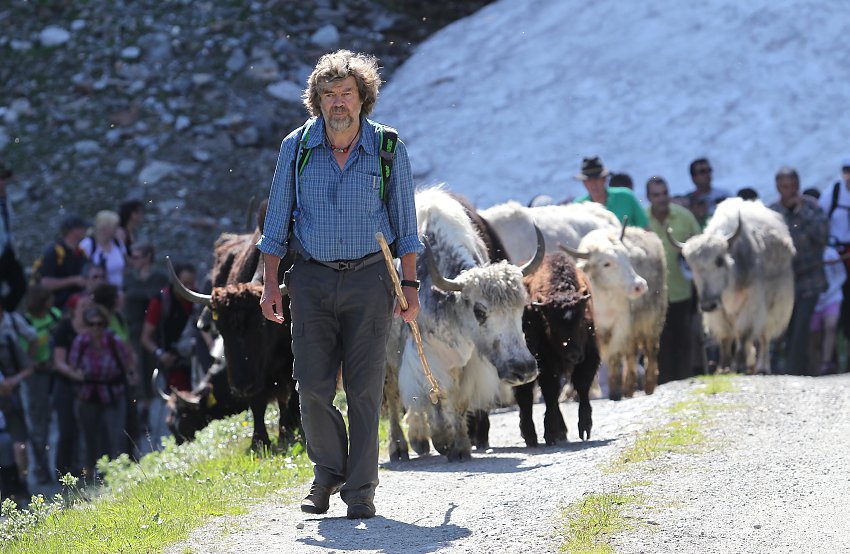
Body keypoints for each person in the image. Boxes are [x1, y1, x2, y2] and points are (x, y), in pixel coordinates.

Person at [257, 50, 422, 520]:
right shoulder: (297, 148)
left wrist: (408, 287)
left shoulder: (388, 149)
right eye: (328, 95)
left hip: (372, 280)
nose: (337, 103)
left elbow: (406, 227)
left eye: (346, 93)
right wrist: (271, 285)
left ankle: (361, 490)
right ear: (317, 100)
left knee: (366, 389)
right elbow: (275, 228)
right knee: (311, 387)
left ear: (363, 96)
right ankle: (328, 471)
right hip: (310, 279)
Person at [769, 167, 829, 375]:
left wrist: (801, 212)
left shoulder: (812, 207)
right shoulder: (772, 213)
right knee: (785, 329)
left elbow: (822, 236)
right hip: (783, 284)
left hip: (809, 280)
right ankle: (783, 372)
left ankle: (795, 374)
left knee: (801, 330)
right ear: (778, 188)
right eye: (785, 186)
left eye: (793, 186)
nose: (790, 190)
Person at [69, 304, 136, 482]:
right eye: (91, 324)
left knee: (117, 436)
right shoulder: (81, 342)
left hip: (113, 393)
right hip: (88, 395)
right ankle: (89, 475)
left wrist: (131, 376)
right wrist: (77, 375)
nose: (96, 328)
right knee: (88, 438)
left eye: (99, 324)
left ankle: (118, 474)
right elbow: (72, 366)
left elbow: (128, 362)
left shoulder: (114, 341)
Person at [645, 176, 702, 384]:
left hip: (681, 292)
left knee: (682, 340)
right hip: (652, 295)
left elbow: (700, 247)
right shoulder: (642, 220)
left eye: (664, 193)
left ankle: (684, 384)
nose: (661, 198)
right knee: (658, 343)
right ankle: (662, 386)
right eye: (656, 195)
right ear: (649, 197)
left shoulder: (685, 217)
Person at [122, 241, 168, 433]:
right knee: (138, 368)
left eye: (137, 256)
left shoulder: (159, 277)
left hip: (154, 330)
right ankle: (142, 411)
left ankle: (153, 408)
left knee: (152, 368)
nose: (133, 260)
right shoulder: (129, 277)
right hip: (134, 330)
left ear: (148, 257)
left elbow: (160, 299)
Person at [19, 284, 62, 484]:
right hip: (36, 377)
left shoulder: (54, 315)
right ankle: (41, 469)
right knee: (39, 425)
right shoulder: (26, 322)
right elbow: (22, 355)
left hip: (57, 373)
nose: (53, 301)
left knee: (62, 420)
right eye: (49, 298)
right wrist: (39, 364)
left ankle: (64, 465)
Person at [140, 262, 198, 393]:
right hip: (172, 368)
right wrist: (160, 354)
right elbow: (145, 337)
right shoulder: (160, 301)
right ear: (176, 282)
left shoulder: (196, 300)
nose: (189, 288)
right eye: (185, 284)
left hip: (194, 364)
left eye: (191, 283)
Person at [0, 302, 35, 498]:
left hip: (12, 402)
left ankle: (22, 484)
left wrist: (12, 382)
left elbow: (28, 367)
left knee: (19, 446)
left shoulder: (8, 339)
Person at [819, 158, 850, 350]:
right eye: (847, 170)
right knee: (837, 300)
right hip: (836, 258)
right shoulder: (833, 193)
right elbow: (820, 221)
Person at [573, 156, 648, 228]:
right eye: (589, 180)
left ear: (604, 179)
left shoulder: (626, 197)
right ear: (584, 183)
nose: (593, 184)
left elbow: (646, 230)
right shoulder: (578, 207)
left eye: (596, 178)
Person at [34, 214, 89, 311]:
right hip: (57, 307)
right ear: (73, 230)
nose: (85, 230)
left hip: (78, 302)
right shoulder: (54, 252)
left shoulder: (81, 253)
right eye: (82, 227)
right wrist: (73, 280)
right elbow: (45, 283)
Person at [0, 162, 27, 312]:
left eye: (3, 179)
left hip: (8, 251)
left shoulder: (6, 200)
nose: (2, 182)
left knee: (19, 286)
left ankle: (5, 315)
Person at [80, 210, 128, 290]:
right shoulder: (87, 245)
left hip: (118, 291)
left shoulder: (118, 243)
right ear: (105, 228)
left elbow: (125, 265)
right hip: (97, 292)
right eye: (115, 227)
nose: (117, 230)